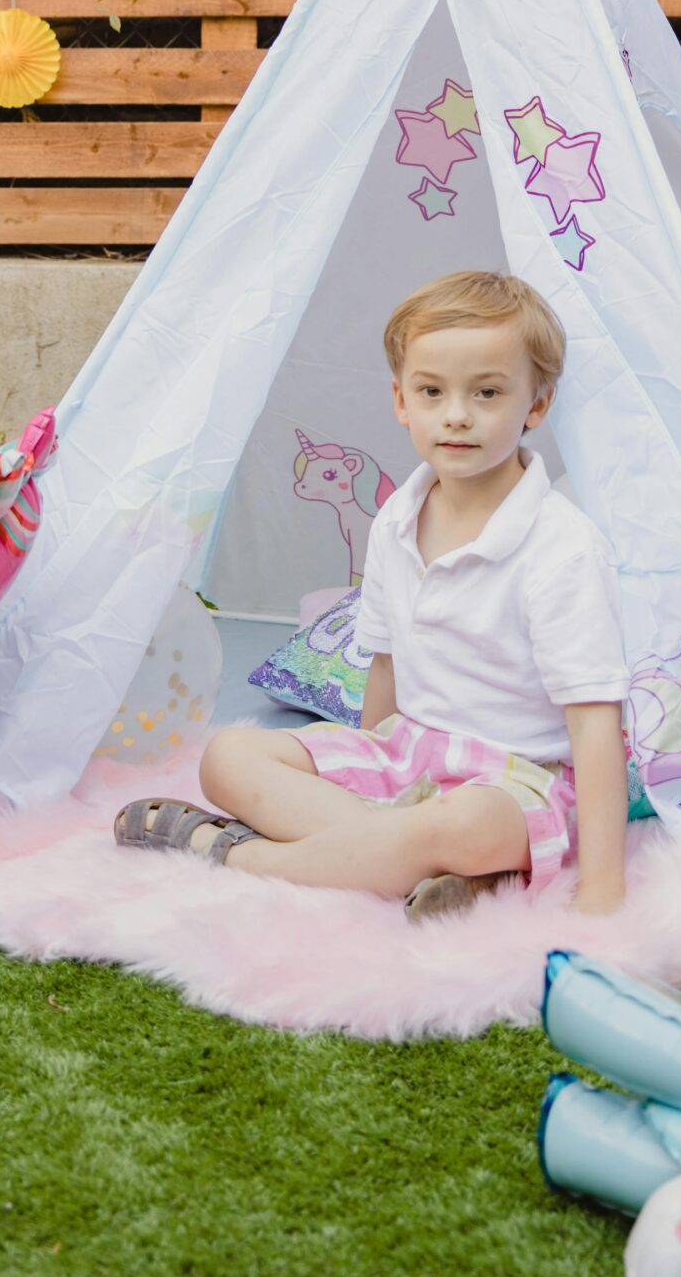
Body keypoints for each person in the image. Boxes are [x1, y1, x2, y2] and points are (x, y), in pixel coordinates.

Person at [115, 270, 631, 920]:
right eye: (431, 391)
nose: (455, 414)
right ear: (400, 401)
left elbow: (593, 721)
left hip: (514, 779)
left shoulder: (560, 547)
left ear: (535, 406)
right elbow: (384, 662)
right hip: (409, 755)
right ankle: (411, 864)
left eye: (487, 393)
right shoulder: (396, 517)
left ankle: (242, 856)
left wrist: (602, 892)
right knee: (229, 756)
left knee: (465, 824)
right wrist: (365, 761)